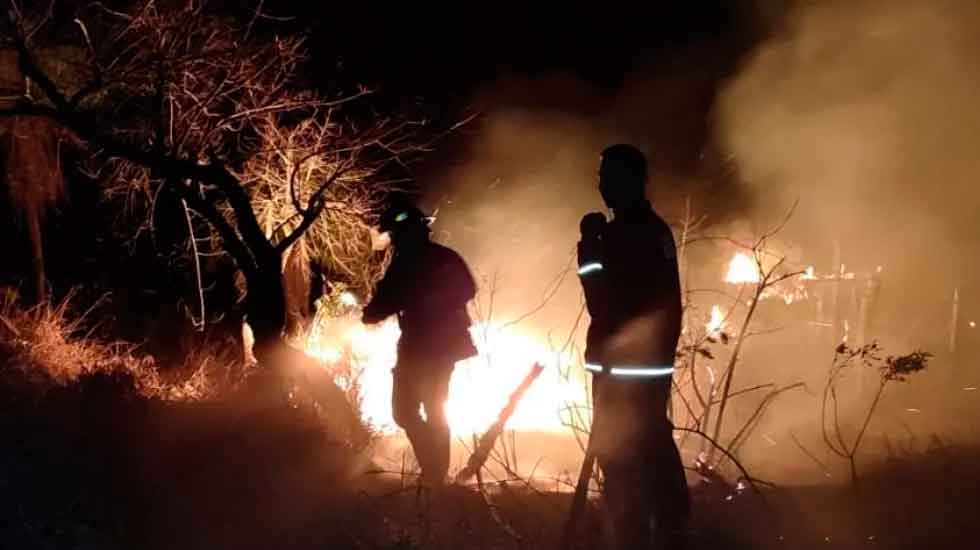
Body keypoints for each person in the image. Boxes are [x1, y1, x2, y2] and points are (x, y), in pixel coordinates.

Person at [577, 144, 690, 549]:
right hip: (647, 364)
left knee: (622, 457)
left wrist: (589, 245)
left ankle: (633, 535)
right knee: (653, 443)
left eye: (609, 176)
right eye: (601, 176)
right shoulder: (651, 228)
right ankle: (671, 528)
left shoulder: (626, 233)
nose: (603, 185)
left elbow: (601, 301)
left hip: (622, 368)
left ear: (631, 180)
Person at [362, 204, 478, 487]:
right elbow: (384, 301)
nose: (394, 239)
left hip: (438, 348)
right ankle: (433, 468)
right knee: (405, 411)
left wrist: (426, 300)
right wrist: (374, 311)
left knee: (433, 409)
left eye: (396, 233)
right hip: (416, 347)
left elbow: (467, 289)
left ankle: (435, 475)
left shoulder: (440, 259)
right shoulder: (404, 263)